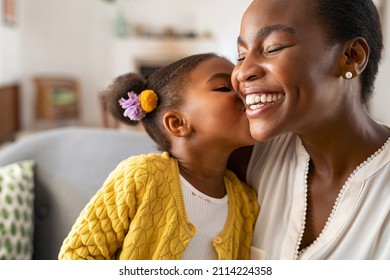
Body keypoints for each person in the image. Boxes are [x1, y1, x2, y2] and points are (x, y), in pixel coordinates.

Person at [228, 0, 390, 259]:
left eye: (273, 48)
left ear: (351, 57)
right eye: (241, 55)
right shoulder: (247, 158)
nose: (242, 72)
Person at [58, 53, 259, 260]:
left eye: (241, 85)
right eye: (224, 88)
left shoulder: (246, 202)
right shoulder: (141, 176)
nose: (246, 93)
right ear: (178, 124)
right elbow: (78, 256)